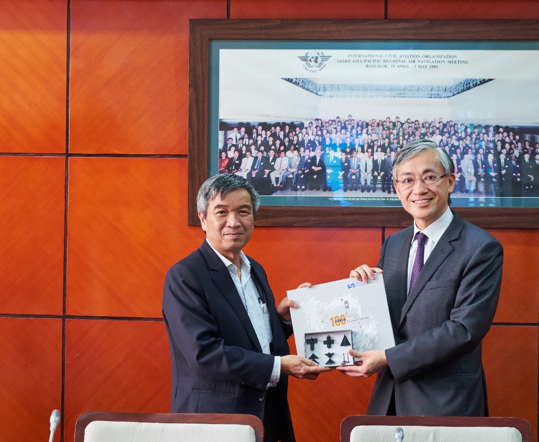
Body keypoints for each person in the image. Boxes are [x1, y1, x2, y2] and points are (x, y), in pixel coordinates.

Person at [339, 139, 503, 417]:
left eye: (429, 177)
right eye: (407, 180)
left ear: (450, 182)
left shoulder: (481, 247)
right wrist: (361, 292)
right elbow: (387, 321)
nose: (419, 190)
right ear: (397, 188)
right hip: (388, 401)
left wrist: (389, 358)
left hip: (446, 404)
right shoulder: (393, 244)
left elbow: (464, 330)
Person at [162, 174, 328, 442]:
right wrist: (278, 366)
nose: (234, 222)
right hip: (214, 424)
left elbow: (250, 338)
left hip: (266, 418)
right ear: (203, 218)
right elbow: (203, 353)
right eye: (222, 212)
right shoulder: (185, 276)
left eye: (243, 212)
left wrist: (282, 321)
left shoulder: (255, 270)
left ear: (254, 218)